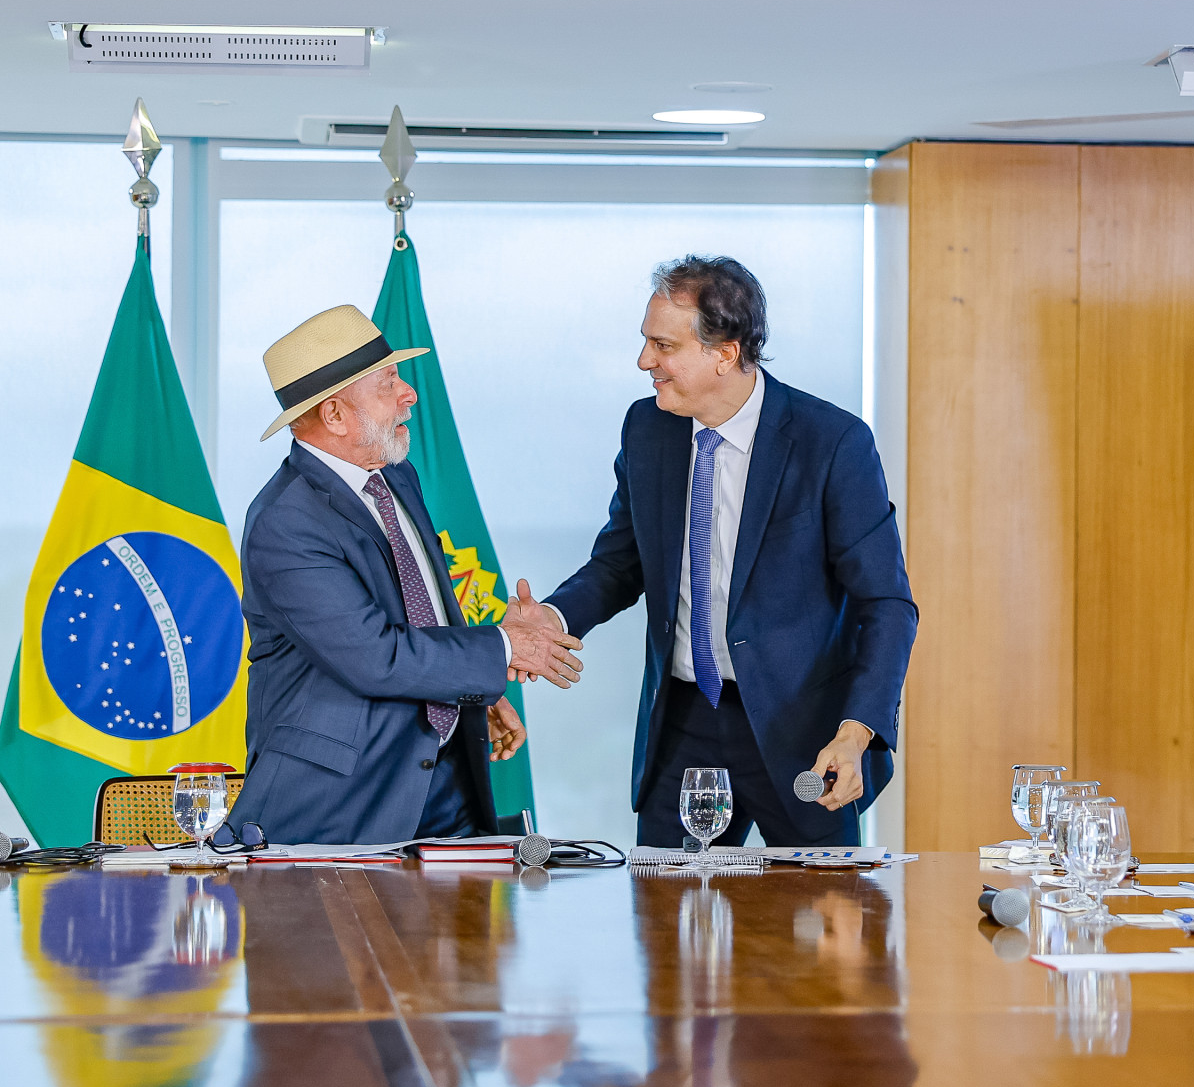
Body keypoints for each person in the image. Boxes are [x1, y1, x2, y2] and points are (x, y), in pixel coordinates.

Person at [514, 256, 916, 847]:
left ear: (724, 352)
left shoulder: (832, 443)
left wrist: (856, 731)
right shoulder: (647, 428)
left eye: (663, 346)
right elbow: (621, 561)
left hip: (805, 731)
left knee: (818, 927)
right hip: (683, 723)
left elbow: (886, 604)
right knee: (670, 925)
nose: (645, 362)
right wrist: (553, 617)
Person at [229, 305, 583, 844]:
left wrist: (474, 693)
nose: (409, 393)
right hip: (343, 804)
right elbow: (376, 655)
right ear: (335, 416)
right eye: (388, 382)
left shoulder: (396, 474)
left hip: (443, 783)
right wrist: (507, 649)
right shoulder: (284, 524)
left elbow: (423, 609)